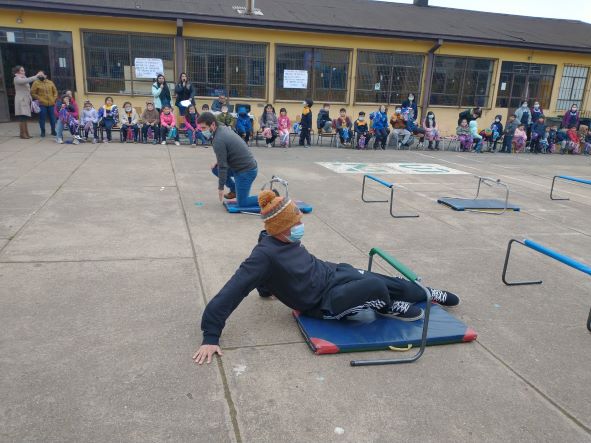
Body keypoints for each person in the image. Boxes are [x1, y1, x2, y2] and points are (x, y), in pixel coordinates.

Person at [192, 187, 461, 364]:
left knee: (386, 280)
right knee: (375, 286)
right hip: (323, 302)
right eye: (296, 223)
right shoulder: (263, 256)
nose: (300, 226)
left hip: (331, 273)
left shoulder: (279, 237)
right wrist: (210, 336)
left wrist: (266, 290)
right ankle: (387, 306)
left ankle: (426, 293)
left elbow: (266, 279)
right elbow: (234, 289)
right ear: (282, 227)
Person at [197, 111, 258, 206]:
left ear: (213, 124)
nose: (202, 131)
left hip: (246, 171)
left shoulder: (218, 140)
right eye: (201, 128)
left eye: (204, 128)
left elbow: (223, 167)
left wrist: (220, 188)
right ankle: (234, 190)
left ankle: (271, 196)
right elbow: (226, 152)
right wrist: (218, 161)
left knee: (243, 203)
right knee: (215, 169)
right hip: (239, 166)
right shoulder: (221, 127)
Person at [13, 65, 45, 139]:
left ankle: (26, 133)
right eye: (22, 70)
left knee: (24, 117)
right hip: (21, 100)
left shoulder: (23, 78)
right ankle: (23, 134)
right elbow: (28, 80)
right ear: (17, 71)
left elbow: (27, 81)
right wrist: (36, 75)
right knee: (22, 117)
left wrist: (40, 76)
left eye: (23, 70)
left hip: (25, 100)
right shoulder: (16, 78)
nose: (23, 72)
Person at [30, 72, 58, 137]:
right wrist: (39, 98)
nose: (40, 76)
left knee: (53, 118)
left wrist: (54, 99)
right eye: (39, 75)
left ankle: (53, 131)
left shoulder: (50, 82)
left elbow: (55, 92)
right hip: (42, 104)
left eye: (41, 75)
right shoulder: (36, 83)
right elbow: (32, 93)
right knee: (42, 118)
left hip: (51, 103)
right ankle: (43, 131)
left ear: (45, 75)